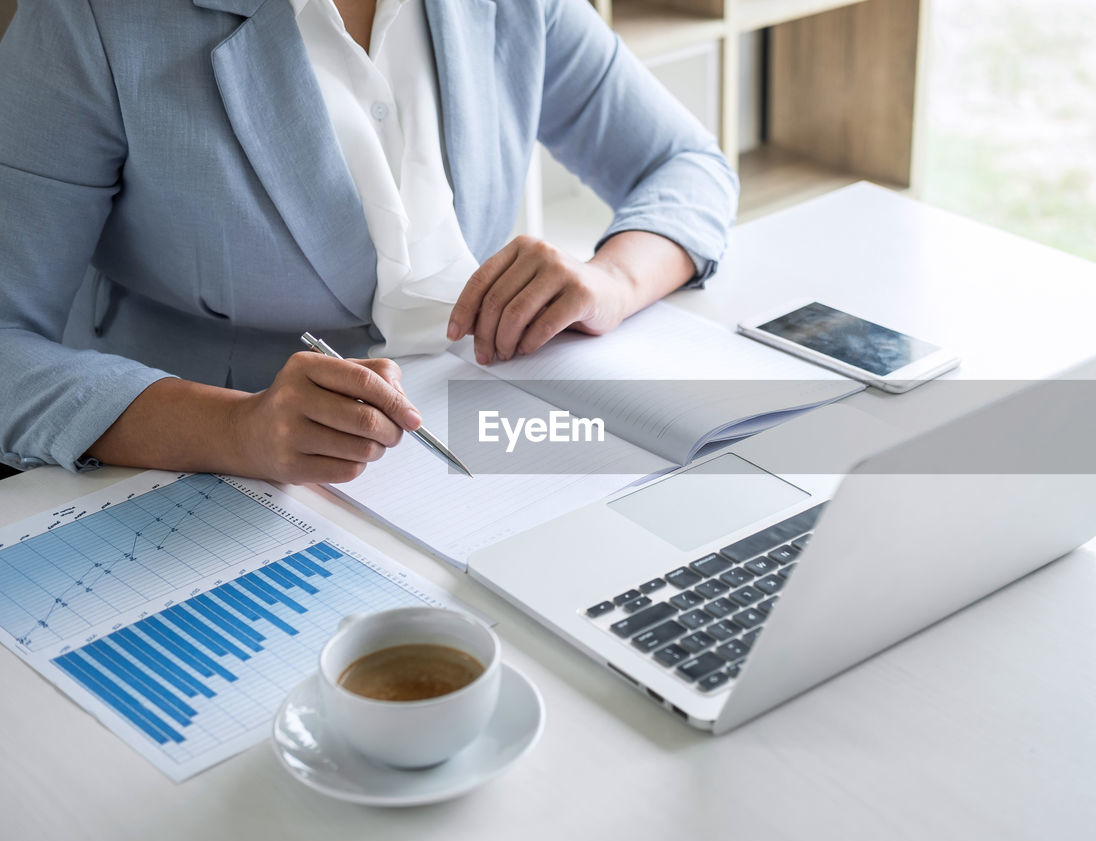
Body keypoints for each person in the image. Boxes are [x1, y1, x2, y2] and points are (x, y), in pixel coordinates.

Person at [0, 0, 737, 484]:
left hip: (485, 439)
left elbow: (685, 165)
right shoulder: (91, 17)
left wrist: (612, 278)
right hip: (209, 487)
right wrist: (237, 429)